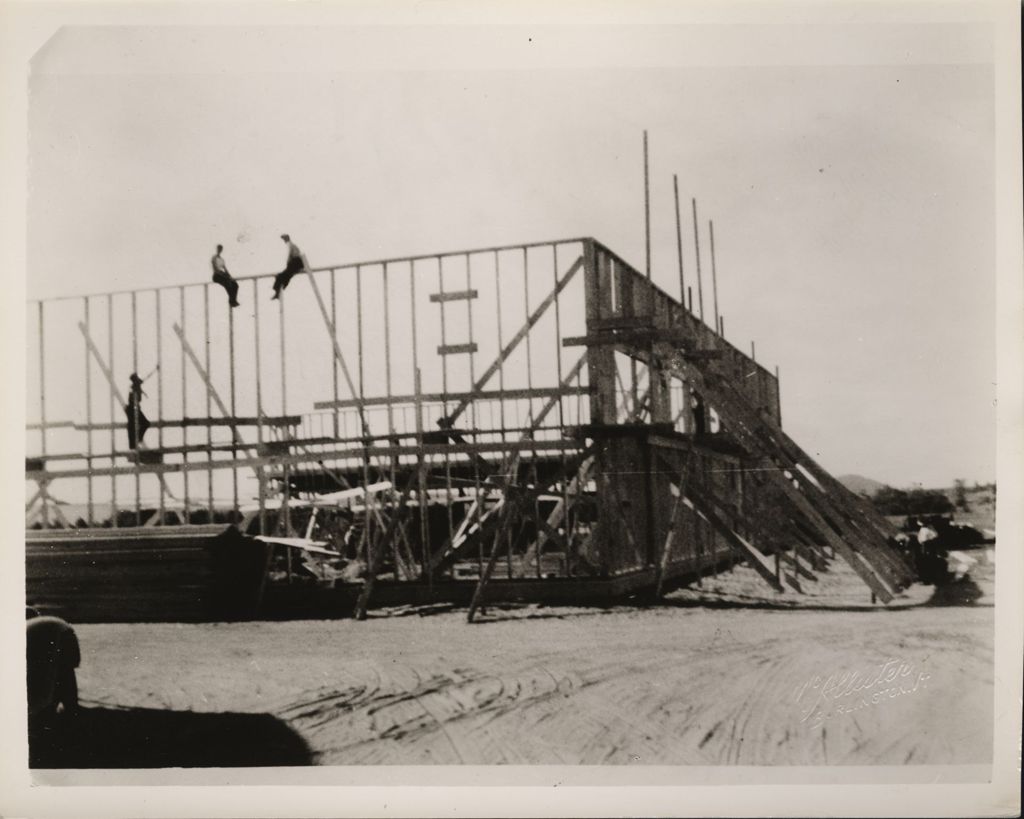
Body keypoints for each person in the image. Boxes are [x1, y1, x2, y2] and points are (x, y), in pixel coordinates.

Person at [272, 234, 309, 300]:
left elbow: (289, 255)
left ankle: (277, 291)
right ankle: (278, 292)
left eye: (284, 239)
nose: (284, 241)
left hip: (296, 262)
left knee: (281, 276)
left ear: (286, 239)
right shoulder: (292, 245)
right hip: (297, 263)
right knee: (286, 276)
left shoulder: (290, 244)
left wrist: (288, 263)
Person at [124, 373, 151, 449]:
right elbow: (146, 377)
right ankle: (138, 439)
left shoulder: (134, 386)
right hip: (133, 409)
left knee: (132, 426)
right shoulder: (134, 387)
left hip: (131, 409)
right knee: (145, 423)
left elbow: (146, 377)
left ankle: (134, 444)